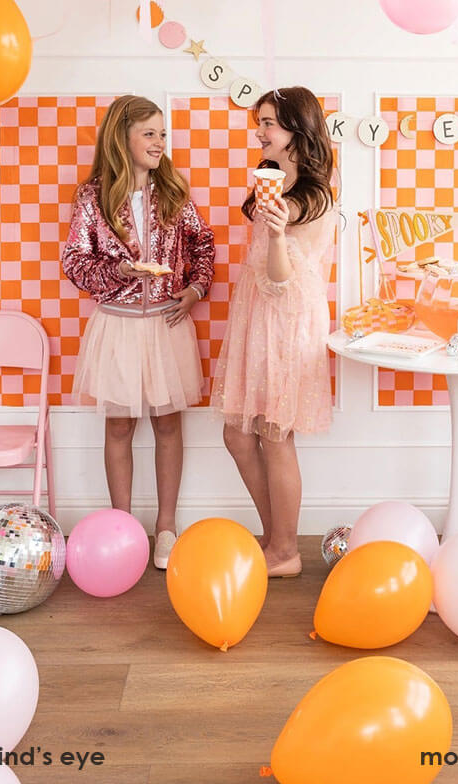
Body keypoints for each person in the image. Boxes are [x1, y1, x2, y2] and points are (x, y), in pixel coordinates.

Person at [62, 95, 215, 569]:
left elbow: (203, 243)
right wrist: (123, 272)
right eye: (149, 133)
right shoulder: (93, 197)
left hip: (167, 324)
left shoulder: (173, 192)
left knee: (169, 424)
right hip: (119, 326)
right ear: (121, 137)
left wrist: (196, 288)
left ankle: (166, 527)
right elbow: (74, 261)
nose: (159, 142)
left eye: (162, 134)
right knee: (120, 425)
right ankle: (121, 526)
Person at [211, 86, 336, 577]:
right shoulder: (275, 180)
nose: (259, 132)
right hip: (259, 316)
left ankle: (283, 550)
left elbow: (283, 278)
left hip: (287, 321)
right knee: (239, 435)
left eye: (268, 123)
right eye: (259, 122)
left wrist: (280, 231)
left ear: (295, 130)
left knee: (273, 434)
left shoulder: (309, 195)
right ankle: (277, 540)